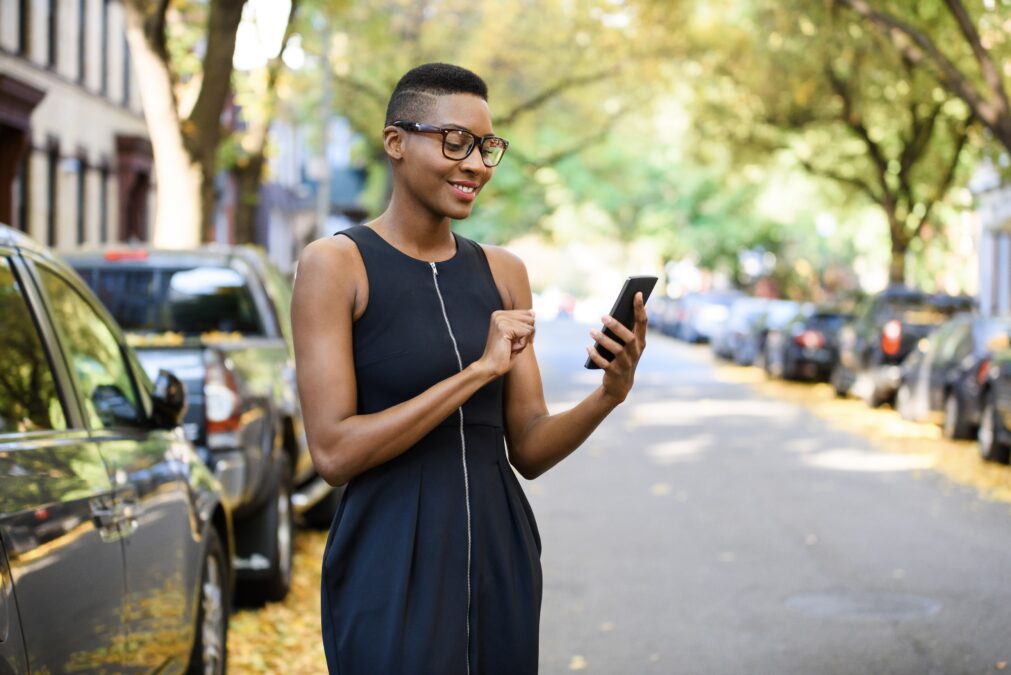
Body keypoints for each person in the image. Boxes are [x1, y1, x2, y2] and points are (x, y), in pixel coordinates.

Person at [291, 63, 648, 675]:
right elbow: (333, 453)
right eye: (455, 142)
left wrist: (608, 396)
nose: (476, 164)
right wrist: (478, 371)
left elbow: (529, 447)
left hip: (498, 546)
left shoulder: (504, 272)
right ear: (396, 142)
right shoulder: (336, 265)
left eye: (487, 147)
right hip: (387, 554)